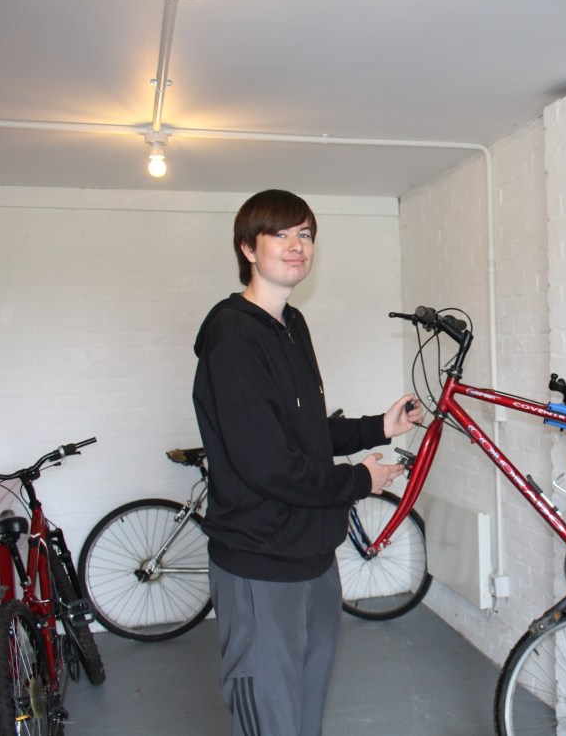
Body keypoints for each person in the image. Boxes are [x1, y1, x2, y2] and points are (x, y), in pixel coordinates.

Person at [192, 189, 422, 736]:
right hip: (259, 563)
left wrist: (377, 428)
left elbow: (302, 433)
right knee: (268, 716)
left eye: (306, 235)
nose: (297, 247)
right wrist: (360, 480)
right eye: (281, 235)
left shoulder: (292, 324)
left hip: (314, 558)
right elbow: (268, 464)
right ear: (248, 247)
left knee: (304, 713)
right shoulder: (232, 337)